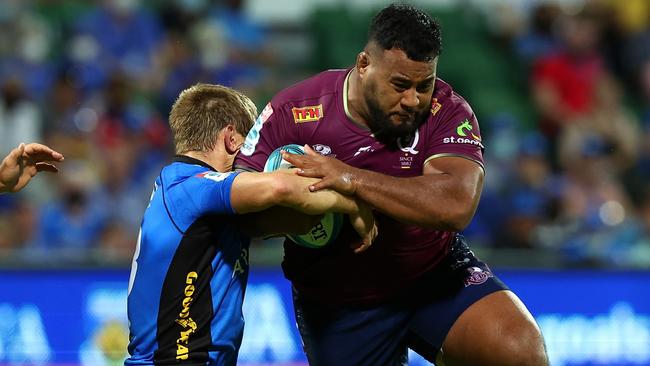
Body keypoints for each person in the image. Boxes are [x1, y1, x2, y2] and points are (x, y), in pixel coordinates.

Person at [235, 4, 548, 366]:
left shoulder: (447, 110)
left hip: (434, 274)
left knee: (520, 351)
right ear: (364, 64)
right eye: (400, 85)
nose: (413, 100)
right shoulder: (294, 112)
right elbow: (242, 209)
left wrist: (349, 178)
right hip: (339, 301)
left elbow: (456, 205)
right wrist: (311, 208)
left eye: (424, 85)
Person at [124, 83, 376, 366]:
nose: (253, 157)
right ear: (231, 138)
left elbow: (289, 220)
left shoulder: (196, 199)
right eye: (250, 143)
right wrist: (353, 203)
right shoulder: (188, 187)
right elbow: (280, 186)